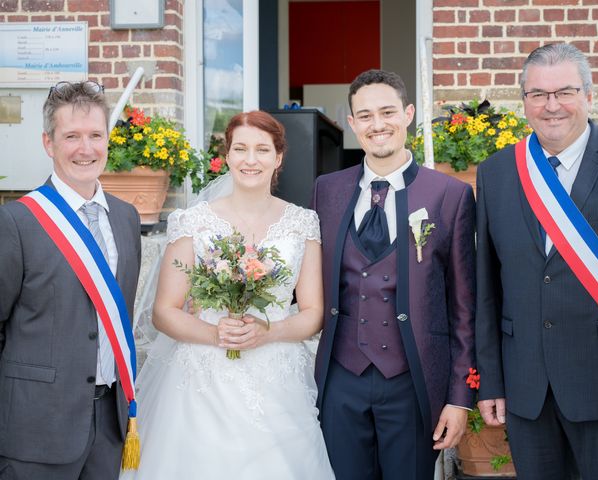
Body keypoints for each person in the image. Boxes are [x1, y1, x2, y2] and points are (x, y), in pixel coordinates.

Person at [121, 110, 334, 480]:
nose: (251, 160)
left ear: (278, 157)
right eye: (241, 149)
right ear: (228, 156)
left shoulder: (303, 222)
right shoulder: (193, 221)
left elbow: (313, 311)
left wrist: (270, 332)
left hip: (278, 378)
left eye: (262, 150)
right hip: (203, 378)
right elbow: (164, 311)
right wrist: (216, 334)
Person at [476, 42, 598, 480]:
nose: (552, 106)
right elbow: (486, 288)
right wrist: (490, 381)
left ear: (589, 95)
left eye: (564, 92)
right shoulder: (495, 172)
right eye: (538, 94)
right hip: (526, 386)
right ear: (524, 100)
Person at [311, 69, 476, 479]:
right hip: (340, 380)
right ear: (352, 124)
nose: (377, 124)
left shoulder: (449, 194)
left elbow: (465, 308)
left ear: (408, 114)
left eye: (387, 112)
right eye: (364, 116)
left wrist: (460, 397)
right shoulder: (326, 191)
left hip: (413, 379)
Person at [0, 81, 141, 479]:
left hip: (109, 425)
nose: (86, 149)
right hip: (35, 427)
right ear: (48, 143)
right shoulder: (16, 222)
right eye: (72, 137)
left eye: (96, 135)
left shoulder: (127, 218)